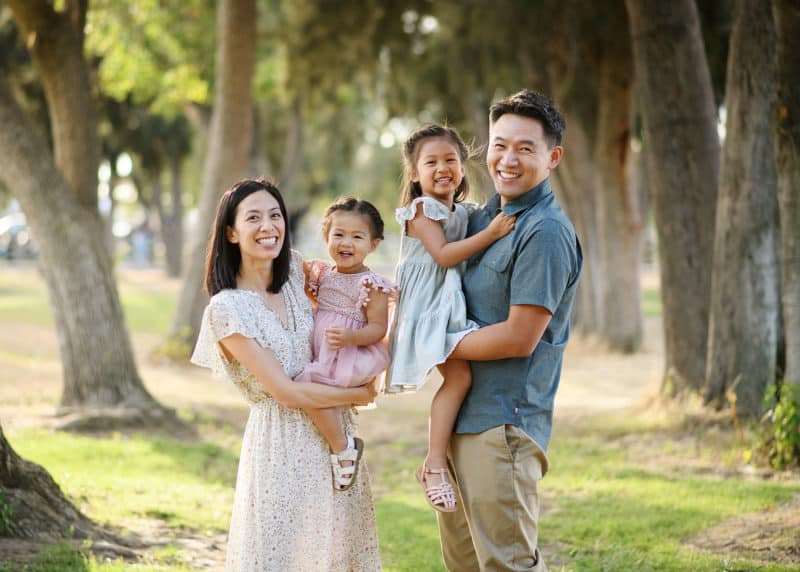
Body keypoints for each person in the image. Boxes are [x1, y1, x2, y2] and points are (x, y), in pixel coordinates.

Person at [190, 179, 381, 571]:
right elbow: (286, 393)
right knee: (284, 556)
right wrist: (357, 395)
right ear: (231, 232)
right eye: (254, 218)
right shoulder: (228, 309)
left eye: (275, 215)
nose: (268, 226)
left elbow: (347, 300)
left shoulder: (295, 270)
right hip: (281, 447)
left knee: (339, 555)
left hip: (336, 443)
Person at [438, 90, 583, 571]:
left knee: (507, 566)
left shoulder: (544, 232)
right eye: (500, 145)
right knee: (464, 566)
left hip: (503, 429)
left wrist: (437, 343)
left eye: (525, 148)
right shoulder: (484, 219)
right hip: (463, 421)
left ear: (552, 157)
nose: (508, 159)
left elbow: (519, 337)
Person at [384, 124, 515, 512]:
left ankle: (439, 462)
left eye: (450, 160)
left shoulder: (464, 211)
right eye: (431, 162)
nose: (442, 168)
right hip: (427, 305)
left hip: (448, 301)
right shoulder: (421, 211)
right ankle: (434, 465)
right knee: (459, 378)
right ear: (414, 173)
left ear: (462, 167)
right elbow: (443, 255)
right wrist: (491, 234)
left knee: (460, 378)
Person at [295, 197, 397, 491]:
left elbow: (378, 328)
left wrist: (352, 337)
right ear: (326, 237)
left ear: (373, 244)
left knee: (308, 387)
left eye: (357, 236)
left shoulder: (371, 284)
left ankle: (343, 448)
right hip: (323, 350)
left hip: (347, 354)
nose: (346, 243)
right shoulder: (323, 273)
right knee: (313, 391)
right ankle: (355, 403)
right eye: (338, 234)